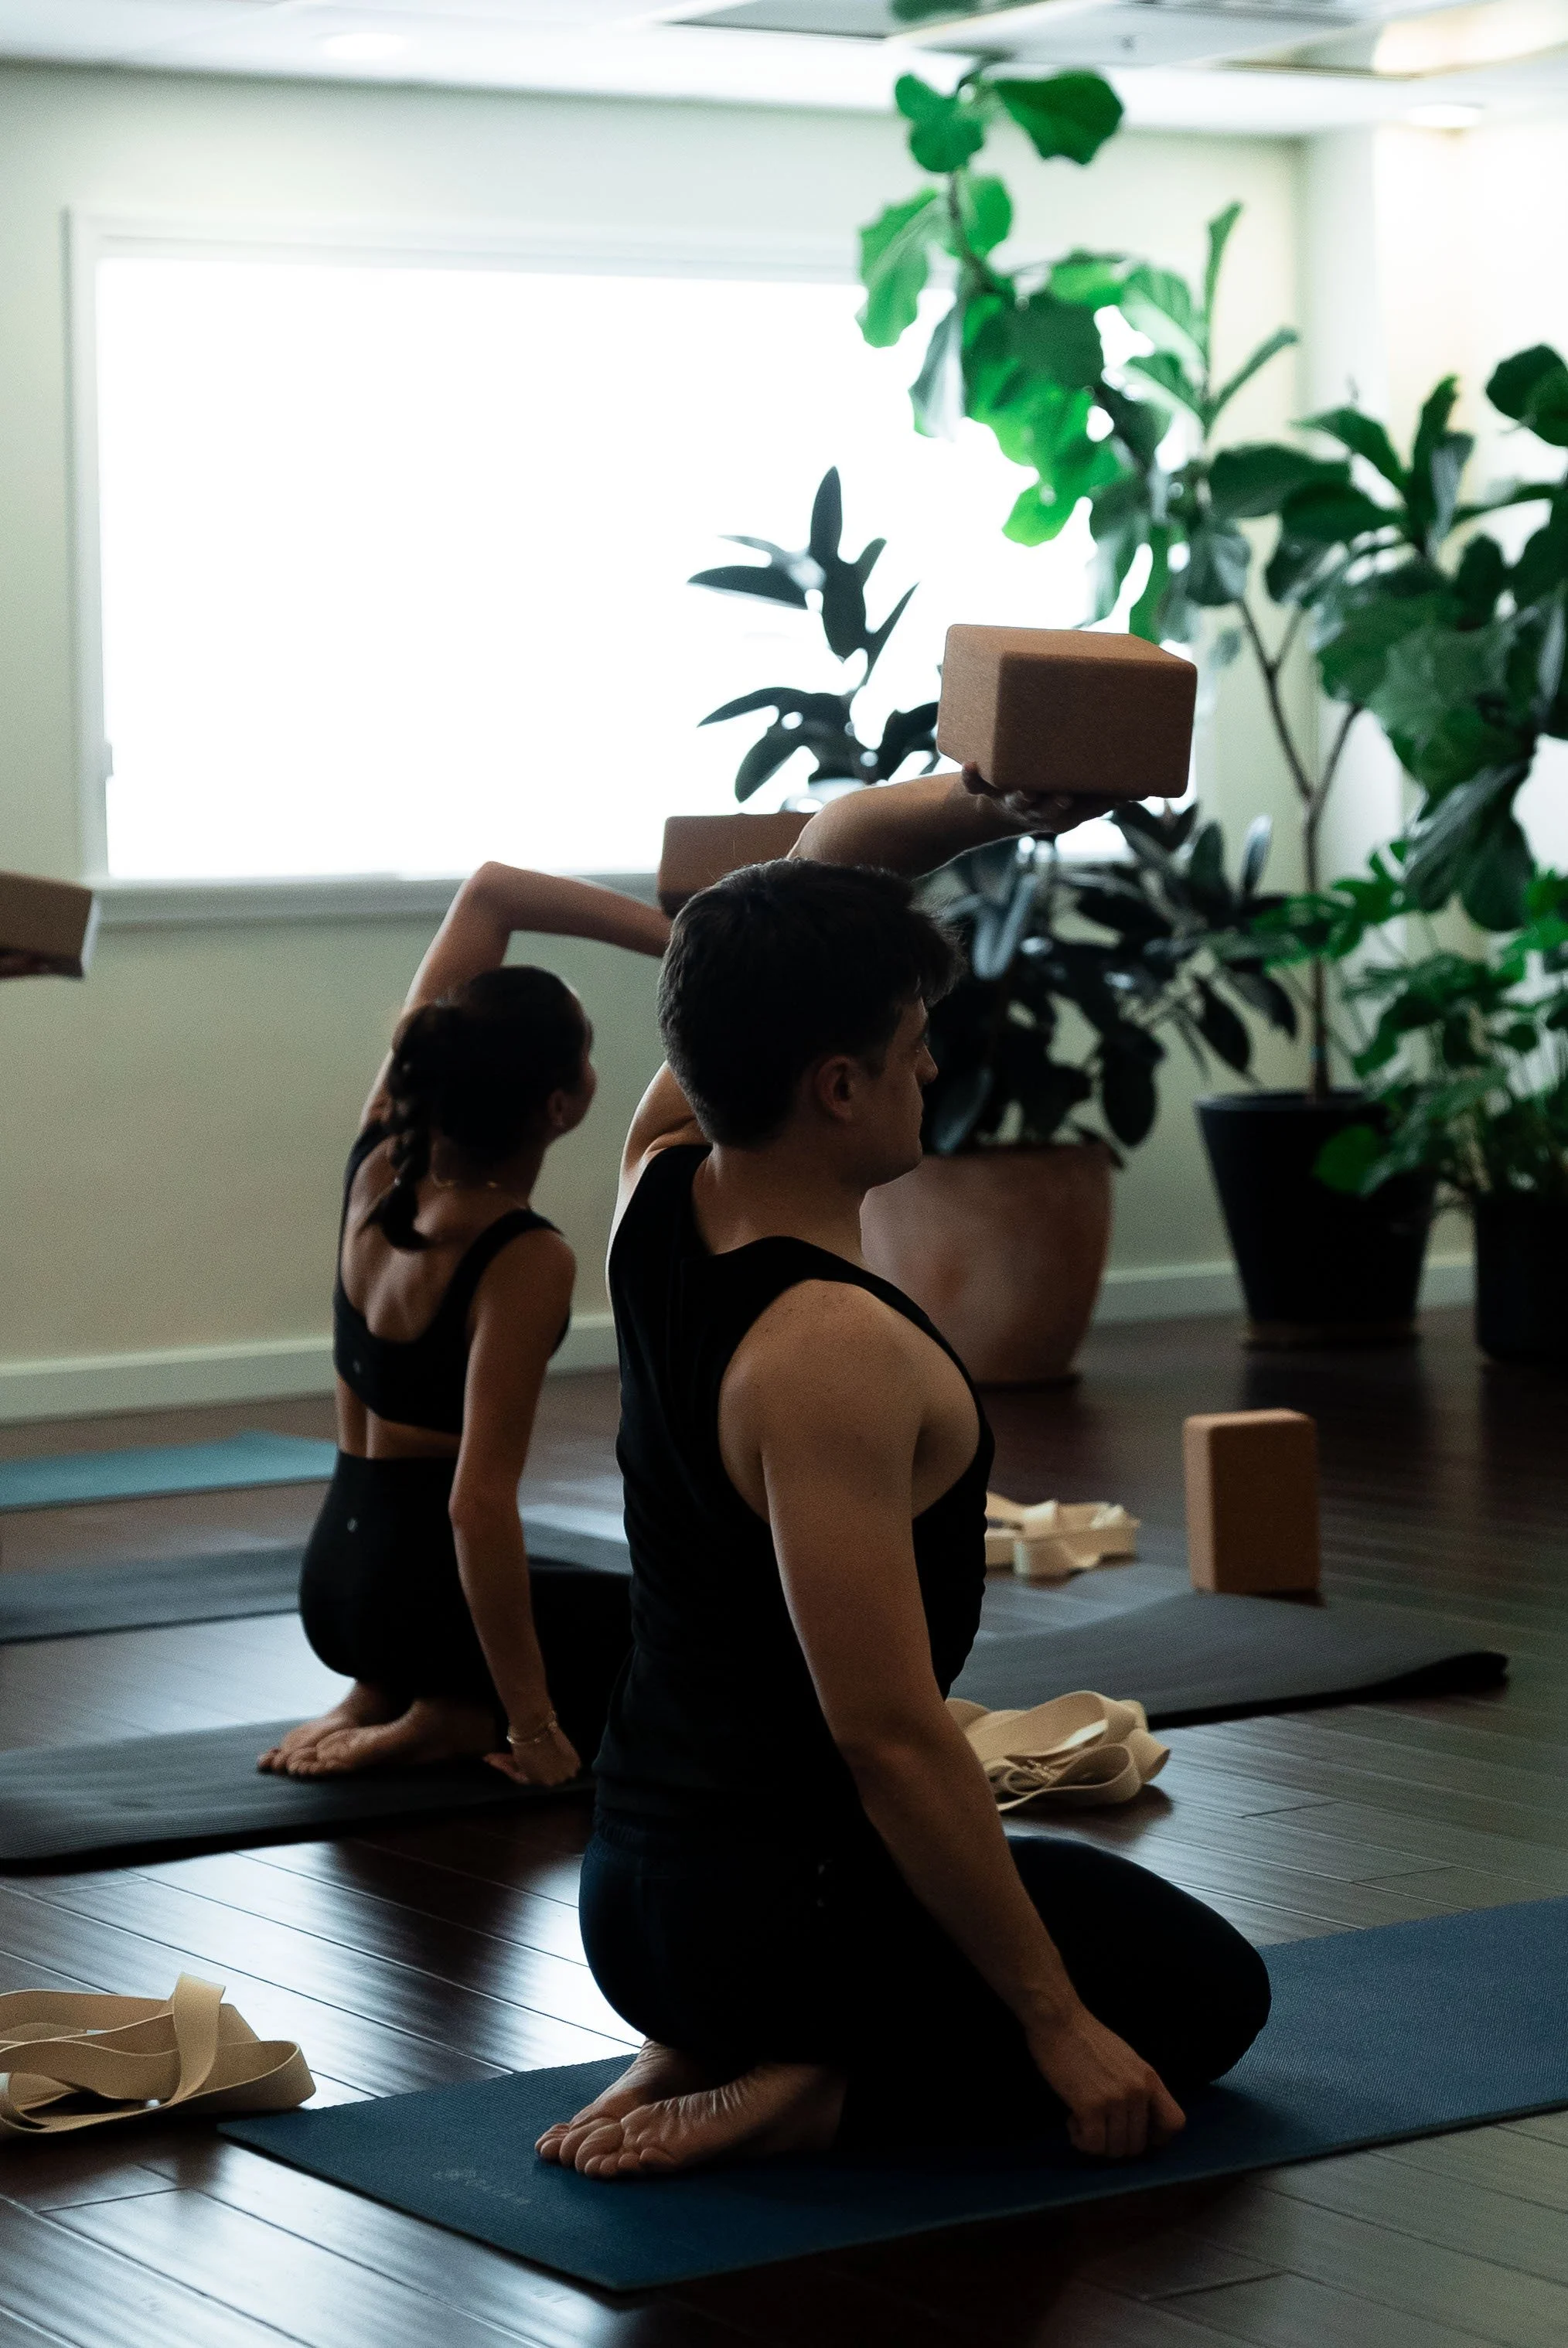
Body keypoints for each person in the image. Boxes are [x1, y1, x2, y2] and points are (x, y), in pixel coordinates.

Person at [537, 768, 1271, 2179]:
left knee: (1047, 1894)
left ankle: (710, 2041)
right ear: (838, 1084)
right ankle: (814, 2091)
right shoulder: (831, 1349)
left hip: (632, 1899)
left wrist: (996, 800)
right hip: (777, 1918)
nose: (931, 1071)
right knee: (1204, 1990)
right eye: (914, 1047)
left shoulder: (654, 1182)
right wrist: (1055, 2023)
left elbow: (819, 865)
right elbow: (881, 1731)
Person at [261, 863, 668, 1784]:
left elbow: (489, 893)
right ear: (561, 1105)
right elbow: (476, 1507)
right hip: (422, 1607)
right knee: (683, 1629)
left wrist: (677, 936)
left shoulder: (380, 1160)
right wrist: (533, 1727)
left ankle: (378, 1693)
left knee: (581, 1591)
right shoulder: (523, 1255)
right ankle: (447, 1712)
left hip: (335, 1590)